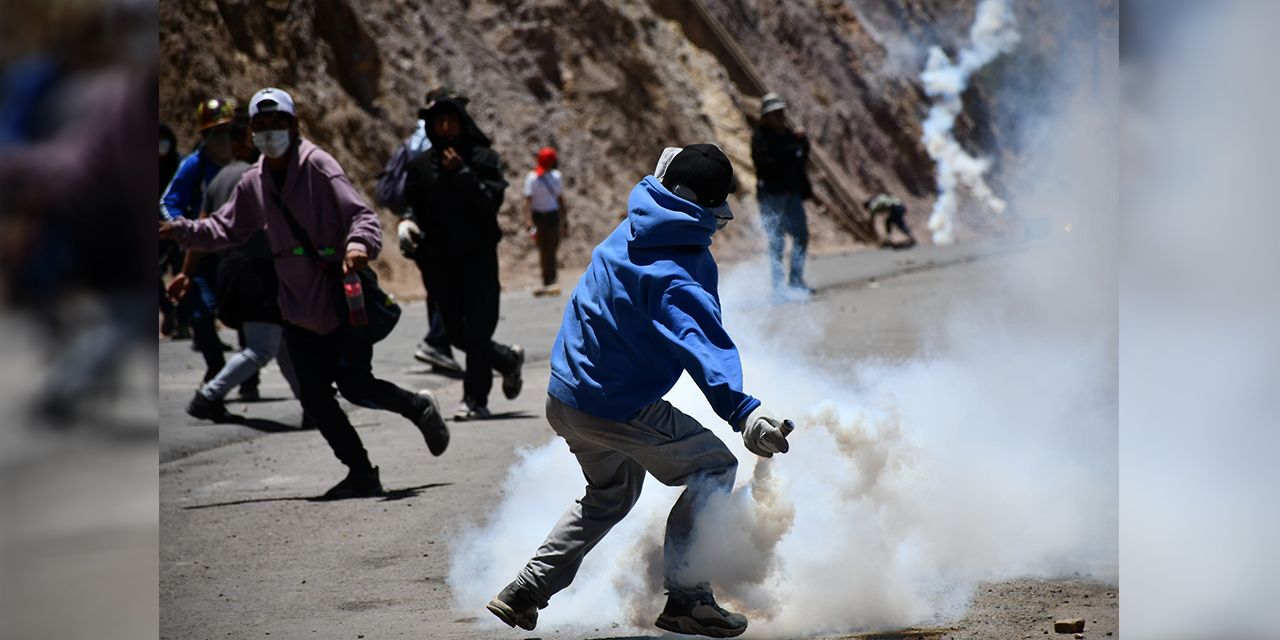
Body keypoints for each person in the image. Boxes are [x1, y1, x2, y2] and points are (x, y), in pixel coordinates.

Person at [486, 144, 796, 638]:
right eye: (717, 208)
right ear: (699, 206)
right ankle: (688, 600)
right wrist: (744, 413)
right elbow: (703, 344)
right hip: (613, 405)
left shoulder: (636, 223)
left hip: (565, 396)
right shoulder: (679, 270)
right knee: (713, 466)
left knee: (611, 493)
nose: (723, 219)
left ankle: (526, 589)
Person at [160, 87, 450, 499]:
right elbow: (225, 228)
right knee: (314, 398)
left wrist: (357, 247)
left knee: (354, 386)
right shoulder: (254, 180)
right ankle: (362, 472)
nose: (268, 133)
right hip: (296, 308)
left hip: (339, 300)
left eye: (277, 124)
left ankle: (417, 407)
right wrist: (180, 230)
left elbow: (361, 215)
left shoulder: (317, 165)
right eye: (260, 126)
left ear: (293, 126)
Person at [167, 111, 305, 423]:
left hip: (230, 271)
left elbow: (202, 230)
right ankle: (209, 395)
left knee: (281, 344)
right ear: (244, 143)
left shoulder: (217, 181)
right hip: (260, 272)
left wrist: (187, 272)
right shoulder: (258, 176)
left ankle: (314, 404)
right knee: (261, 347)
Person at [402, 87, 524, 421]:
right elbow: (412, 203)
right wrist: (407, 223)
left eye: (450, 120)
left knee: (477, 330)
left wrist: (463, 174)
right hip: (439, 262)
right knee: (455, 334)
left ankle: (475, 399)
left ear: (461, 122)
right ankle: (506, 360)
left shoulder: (483, 158)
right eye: (438, 121)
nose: (444, 127)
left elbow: (490, 203)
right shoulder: (421, 164)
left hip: (479, 258)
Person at [376, 110, 461, 373]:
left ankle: (440, 345)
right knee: (448, 286)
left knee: (437, 287)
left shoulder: (415, 137)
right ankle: (436, 341)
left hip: (417, 224)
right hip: (431, 226)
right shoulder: (430, 140)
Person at [160, 97, 237, 380]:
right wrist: (182, 228)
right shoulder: (195, 165)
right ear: (204, 135)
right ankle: (215, 366)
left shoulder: (245, 161)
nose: (223, 139)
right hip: (199, 254)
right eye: (215, 132)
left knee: (243, 312)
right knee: (200, 313)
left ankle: (247, 375)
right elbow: (169, 202)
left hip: (236, 253)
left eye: (227, 130)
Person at [751, 92, 814, 297]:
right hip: (772, 196)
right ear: (765, 118)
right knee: (776, 242)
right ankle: (778, 288)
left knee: (801, 236)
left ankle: (796, 281)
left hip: (791, 195)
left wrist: (803, 143)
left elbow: (801, 158)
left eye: (780, 113)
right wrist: (788, 158)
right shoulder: (761, 137)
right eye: (774, 114)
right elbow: (765, 164)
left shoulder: (788, 135)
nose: (779, 118)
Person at [523, 146, 568, 295]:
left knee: (552, 247)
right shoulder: (532, 178)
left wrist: (564, 218)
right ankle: (546, 278)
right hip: (539, 218)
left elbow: (560, 198)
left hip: (553, 216)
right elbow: (528, 200)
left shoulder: (556, 176)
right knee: (543, 248)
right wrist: (529, 220)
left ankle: (553, 278)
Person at [159, 122, 182, 336]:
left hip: (178, 227)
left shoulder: (181, 164)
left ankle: (183, 319)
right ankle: (167, 310)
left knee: (181, 271)